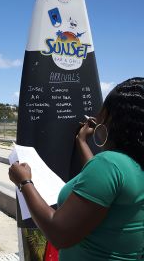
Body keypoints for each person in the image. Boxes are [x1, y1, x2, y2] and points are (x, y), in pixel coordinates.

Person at [8, 78, 144, 260]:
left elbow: (59, 234)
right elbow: (104, 185)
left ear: (112, 118)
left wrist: (24, 182)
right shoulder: (129, 164)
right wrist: (82, 142)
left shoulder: (110, 164)